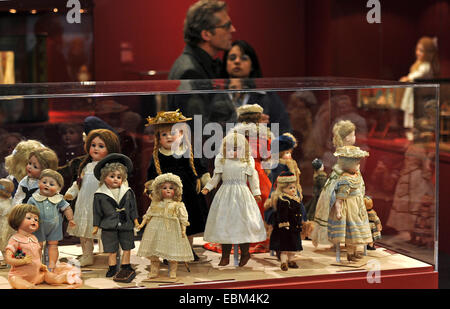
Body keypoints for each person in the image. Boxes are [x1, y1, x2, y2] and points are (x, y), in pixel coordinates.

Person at [201, 132, 266, 267]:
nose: (232, 152)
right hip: (225, 194)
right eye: (229, 149)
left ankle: (245, 253)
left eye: (236, 149)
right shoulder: (222, 160)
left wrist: (256, 192)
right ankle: (225, 256)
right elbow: (216, 177)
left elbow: (253, 179)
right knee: (225, 224)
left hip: (242, 194)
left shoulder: (247, 161)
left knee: (243, 224)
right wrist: (208, 187)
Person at [168, 0, 236, 120]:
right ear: (206, 34)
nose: (232, 29)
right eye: (226, 26)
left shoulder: (199, 64)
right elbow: (198, 129)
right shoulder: (190, 71)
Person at [221, 40, 292, 135]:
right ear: (226, 64)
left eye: (244, 58)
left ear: (252, 66)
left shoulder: (267, 96)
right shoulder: (216, 94)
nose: (237, 61)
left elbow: (284, 130)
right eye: (232, 58)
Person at [5, 204, 82, 289]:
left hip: (38, 274)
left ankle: (66, 277)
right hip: (20, 275)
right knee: (15, 280)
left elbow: (36, 257)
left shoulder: (34, 238)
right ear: (17, 219)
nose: (34, 221)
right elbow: (8, 259)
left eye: (36, 219)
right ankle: (28, 286)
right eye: (29, 218)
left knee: (50, 276)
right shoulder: (15, 240)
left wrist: (40, 265)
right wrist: (22, 261)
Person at [137, 173, 194, 279]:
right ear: (159, 190)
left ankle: (173, 271)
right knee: (153, 252)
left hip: (172, 229)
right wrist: (142, 224)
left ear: (176, 190)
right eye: (164, 188)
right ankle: (154, 271)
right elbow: (148, 214)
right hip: (155, 229)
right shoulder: (155, 203)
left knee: (172, 251)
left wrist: (183, 229)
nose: (168, 190)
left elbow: (183, 218)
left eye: (171, 188)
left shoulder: (177, 205)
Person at [92, 153, 139, 282]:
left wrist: (135, 220)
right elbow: (97, 212)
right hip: (108, 225)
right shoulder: (99, 194)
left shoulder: (128, 192)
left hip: (126, 223)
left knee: (127, 246)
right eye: (112, 176)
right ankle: (112, 267)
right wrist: (95, 225)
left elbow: (133, 207)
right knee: (111, 249)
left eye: (119, 177)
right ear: (104, 177)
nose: (115, 179)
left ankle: (126, 265)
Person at [27, 169, 75, 271]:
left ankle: (52, 265)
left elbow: (67, 208)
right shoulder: (33, 199)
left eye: (51, 184)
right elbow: (27, 212)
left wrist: (70, 219)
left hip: (54, 227)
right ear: (38, 183)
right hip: (37, 227)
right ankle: (37, 265)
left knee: (53, 245)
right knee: (37, 245)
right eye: (44, 182)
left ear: (58, 188)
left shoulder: (59, 199)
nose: (47, 185)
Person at [400, 36, 440, 133]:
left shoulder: (426, 66)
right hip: (414, 95)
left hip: (420, 97)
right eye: (417, 49)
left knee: (415, 117)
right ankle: (411, 133)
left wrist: (408, 78)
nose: (418, 52)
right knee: (410, 116)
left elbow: (418, 75)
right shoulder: (419, 64)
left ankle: (416, 134)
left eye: (421, 51)